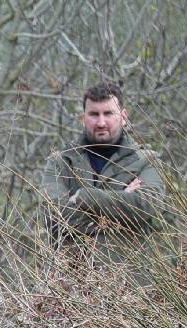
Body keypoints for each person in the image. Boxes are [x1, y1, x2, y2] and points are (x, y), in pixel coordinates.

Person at [38, 82, 167, 247]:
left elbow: (144, 206)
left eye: (108, 113)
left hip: (128, 270)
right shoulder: (61, 162)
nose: (101, 122)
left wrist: (84, 197)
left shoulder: (147, 161)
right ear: (83, 119)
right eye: (93, 114)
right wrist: (122, 199)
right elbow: (53, 217)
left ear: (123, 117)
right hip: (72, 270)